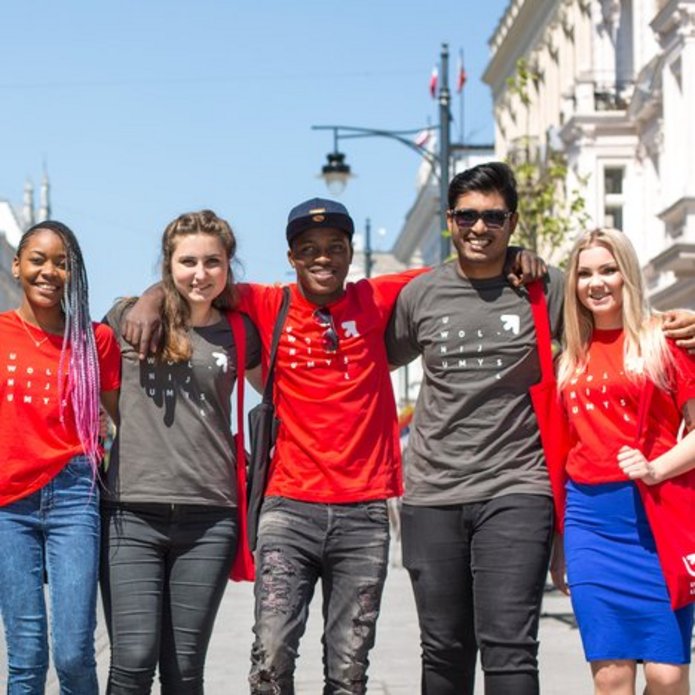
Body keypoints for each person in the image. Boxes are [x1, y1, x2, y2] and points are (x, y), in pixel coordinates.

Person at [386, 162, 562, 695]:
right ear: (449, 221)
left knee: (509, 647)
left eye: (492, 217)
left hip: (518, 488)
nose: (478, 228)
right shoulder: (422, 295)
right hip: (433, 494)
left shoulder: (543, 287)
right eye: (467, 216)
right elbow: (360, 360)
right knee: (444, 649)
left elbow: (609, 327)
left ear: (512, 222)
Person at [99, 210, 261, 694]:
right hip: (130, 512)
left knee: (184, 668)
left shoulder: (239, 332)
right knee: (132, 659)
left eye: (212, 261)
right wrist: (150, 297)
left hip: (210, 518)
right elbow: (94, 385)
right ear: (167, 264)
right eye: (187, 261)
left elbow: (281, 395)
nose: (200, 273)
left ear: (229, 265)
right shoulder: (125, 315)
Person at [551, 227, 694, 695]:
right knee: (611, 677)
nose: (597, 282)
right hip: (590, 523)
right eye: (585, 273)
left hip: (660, 519)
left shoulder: (666, 341)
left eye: (608, 270)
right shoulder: (568, 358)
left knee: (667, 676)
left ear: (627, 274)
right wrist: (557, 542)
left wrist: (657, 468)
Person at [0, 221, 121, 694]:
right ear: (18, 266)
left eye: (62, 262)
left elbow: (125, 420)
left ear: (76, 273)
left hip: (75, 496)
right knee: (26, 656)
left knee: (73, 655)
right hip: (9, 504)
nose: (49, 271)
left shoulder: (95, 342)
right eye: (38, 260)